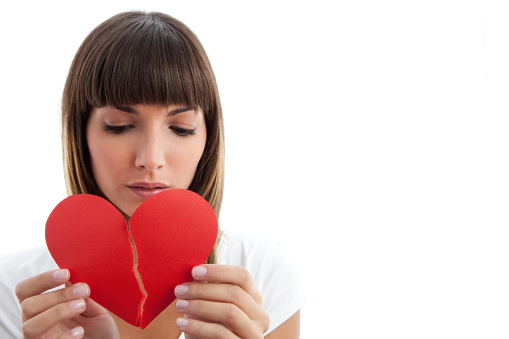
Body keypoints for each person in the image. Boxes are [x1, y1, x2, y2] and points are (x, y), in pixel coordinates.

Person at [0, 11, 303, 338]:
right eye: (120, 126)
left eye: (181, 128)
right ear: (80, 133)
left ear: (208, 138)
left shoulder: (262, 272)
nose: (151, 159)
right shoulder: (17, 293)